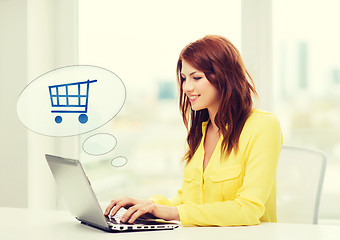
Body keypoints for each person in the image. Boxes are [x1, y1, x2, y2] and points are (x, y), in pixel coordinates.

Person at [104, 35, 283, 226]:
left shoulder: (264, 126)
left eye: (196, 77)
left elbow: (248, 210)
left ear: (224, 76)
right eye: (183, 78)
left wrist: (169, 212)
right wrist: (149, 205)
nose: (187, 87)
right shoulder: (201, 132)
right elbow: (189, 203)